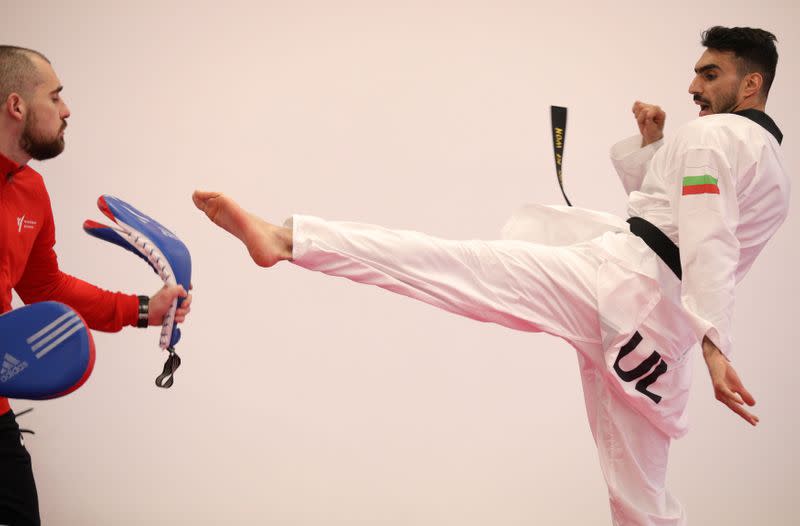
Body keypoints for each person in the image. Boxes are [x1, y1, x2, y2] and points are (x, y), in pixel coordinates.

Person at [193, 26, 786, 525]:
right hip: (657, 336)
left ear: (751, 83)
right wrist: (656, 146)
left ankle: (291, 239)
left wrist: (716, 347)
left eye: (710, 75)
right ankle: (293, 241)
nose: (693, 86)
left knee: (456, 265)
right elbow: (684, 223)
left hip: (621, 283)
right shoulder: (774, 174)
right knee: (641, 498)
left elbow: (704, 234)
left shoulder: (713, 136)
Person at [0, 46, 193, 526]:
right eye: (57, 96)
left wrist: (144, 309)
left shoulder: (30, 190)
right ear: (17, 104)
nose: (66, 111)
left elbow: (46, 287)